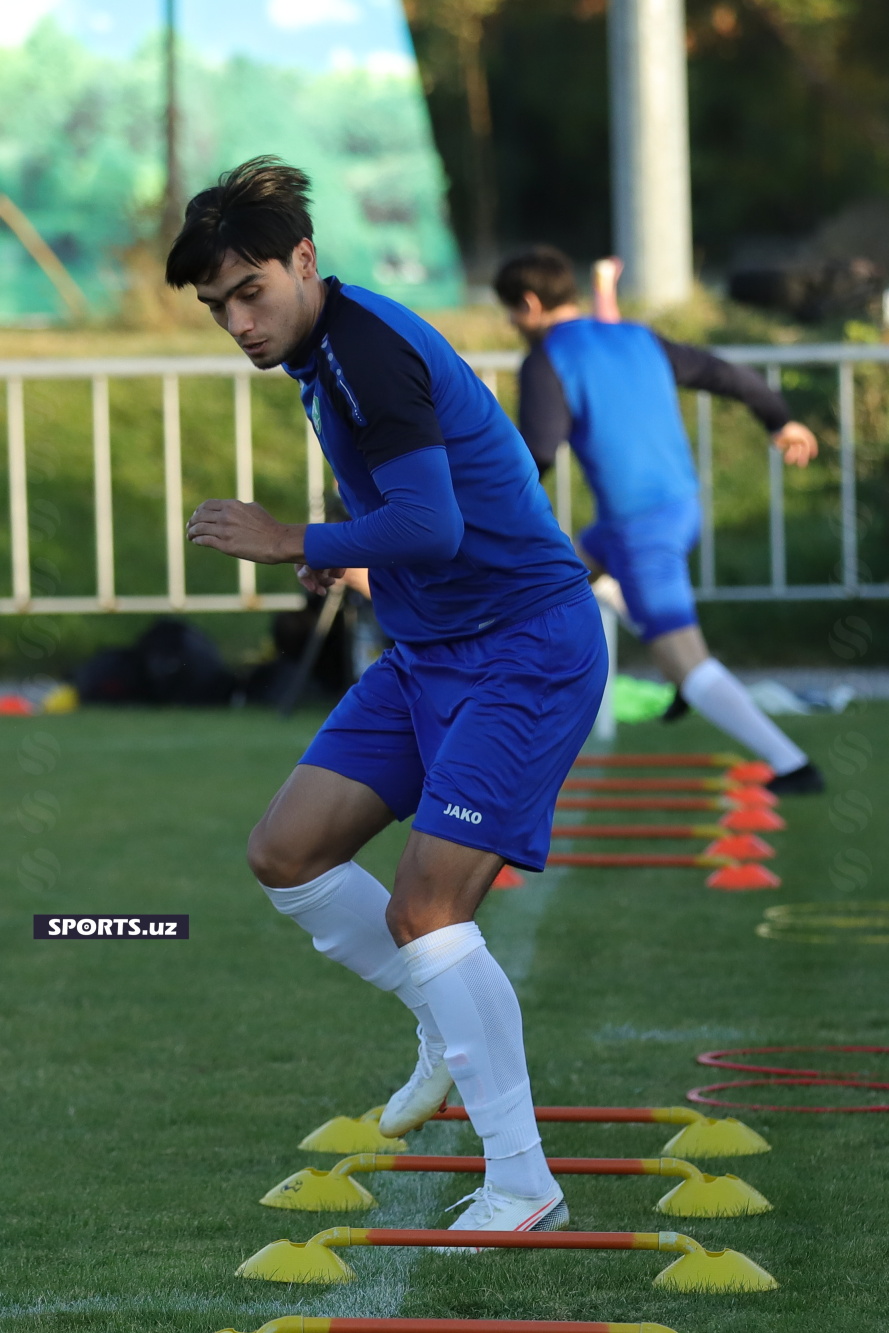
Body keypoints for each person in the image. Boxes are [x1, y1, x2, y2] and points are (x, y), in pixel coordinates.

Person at [166, 159, 608, 1240]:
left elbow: (436, 526)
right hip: (430, 650)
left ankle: (522, 1182)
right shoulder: (325, 345)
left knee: (426, 912)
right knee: (287, 851)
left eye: (249, 291)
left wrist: (293, 539)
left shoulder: (359, 349)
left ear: (304, 262)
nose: (236, 319)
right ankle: (438, 1018)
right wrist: (346, 548)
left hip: (522, 651)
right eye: (216, 303)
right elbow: (413, 508)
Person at [494, 245, 824, 795]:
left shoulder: (547, 360)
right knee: (557, 575)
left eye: (509, 311)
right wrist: (779, 421)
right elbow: (727, 373)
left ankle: (791, 764)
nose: (509, 324)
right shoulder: (638, 337)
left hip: (640, 531)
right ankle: (667, 668)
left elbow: (538, 455)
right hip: (675, 511)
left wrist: (484, 512)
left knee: (687, 661)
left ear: (529, 304)